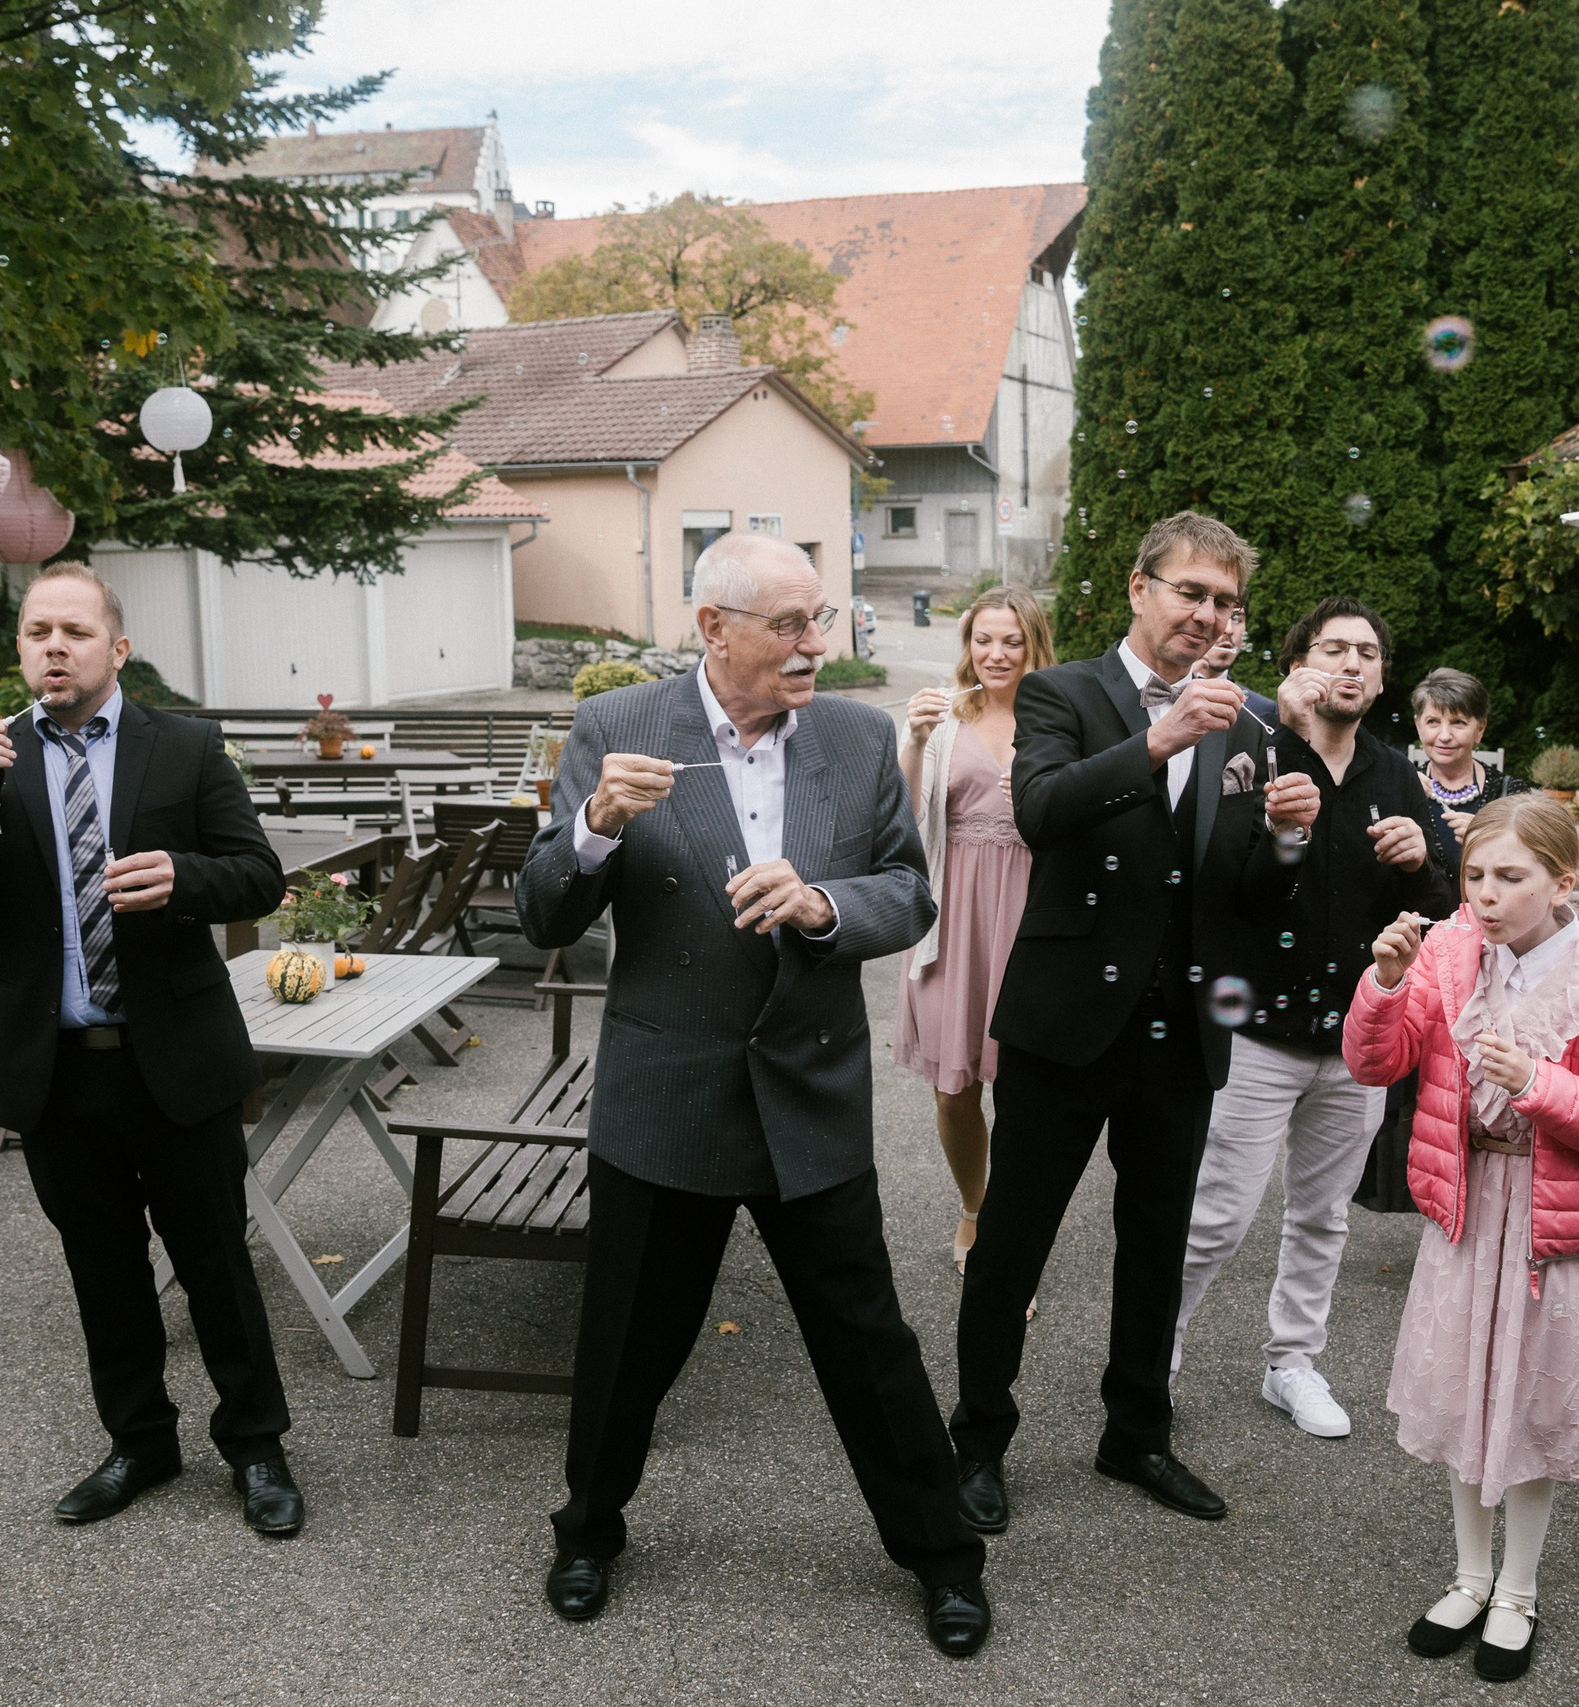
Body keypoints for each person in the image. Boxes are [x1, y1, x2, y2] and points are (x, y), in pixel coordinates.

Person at [517, 533, 994, 1658]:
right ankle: (587, 1530)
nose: (813, 645)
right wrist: (593, 831)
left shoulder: (854, 734)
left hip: (806, 1091)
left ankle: (941, 1558)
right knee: (626, 1340)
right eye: (788, 624)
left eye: (818, 620)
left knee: (869, 1342)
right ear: (713, 629)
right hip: (667, 1091)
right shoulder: (617, 729)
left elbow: (905, 894)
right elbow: (544, 914)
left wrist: (824, 907)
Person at [0, 563, 304, 1535]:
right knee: (103, 1270)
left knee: (216, 1268)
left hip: (176, 1063)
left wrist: (186, 877)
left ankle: (257, 1450)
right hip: (56, 1076)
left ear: (117, 650)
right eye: (38, 632)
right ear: (21, 652)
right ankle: (139, 1445)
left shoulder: (186, 748)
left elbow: (258, 876)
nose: (55, 647)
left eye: (75, 631)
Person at [950, 511, 1320, 1533]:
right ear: (1138, 589)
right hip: (1066, 1019)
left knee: (1156, 1243)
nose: (1206, 615)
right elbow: (1039, 812)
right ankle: (977, 1437)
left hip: (1182, 1026)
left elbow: (1245, 893)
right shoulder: (1064, 691)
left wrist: (1288, 840)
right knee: (1014, 1239)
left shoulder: (1248, 722)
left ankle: (1137, 1434)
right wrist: (1156, 740)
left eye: (1224, 602)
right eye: (1190, 592)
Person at [1344, 795, 1579, 1683]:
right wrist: (1386, 982)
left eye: (1509, 877)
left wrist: (1540, 1082)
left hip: (1548, 1221)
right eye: (1474, 874)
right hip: (1466, 1199)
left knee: (1527, 1402)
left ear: (1564, 882)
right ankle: (1469, 1575)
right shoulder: (1449, 951)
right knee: (1462, 1389)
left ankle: (1518, 1589)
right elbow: (1375, 1063)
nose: (1484, 893)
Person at [1169, 596, 1453, 1439]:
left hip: (1356, 1039)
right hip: (1257, 1030)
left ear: (1382, 677)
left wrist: (1425, 858)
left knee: (1323, 1214)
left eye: (1367, 652)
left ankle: (1292, 1361)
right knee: (1218, 1211)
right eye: (1333, 648)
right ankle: (1157, 1349)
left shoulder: (1396, 774)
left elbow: (1442, 903)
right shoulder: (1254, 746)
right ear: (1297, 663)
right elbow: (1218, 881)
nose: (1351, 664)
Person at [896, 585, 1056, 1271]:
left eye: (1011, 640)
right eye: (983, 639)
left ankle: (1013, 1244)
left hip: (1034, 923)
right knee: (955, 1090)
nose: (995, 653)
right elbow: (900, 824)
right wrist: (913, 739)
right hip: (954, 923)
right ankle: (974, 1205)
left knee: (1026, 1096)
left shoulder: (1060, 722)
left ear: (1034, 646)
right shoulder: (946, 720)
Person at [1411, 667, 1524, 865]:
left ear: (1480, 729)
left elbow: (1533, 861)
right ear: (1419, 726)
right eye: (1433, 722)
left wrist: (1489, 840)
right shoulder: (1403, 787)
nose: (1444, 736)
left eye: (1458, 723)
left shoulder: (1509, 794)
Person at [1194, 604, 1276, 726]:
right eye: (1218, 615)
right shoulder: (1160, 695)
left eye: (1236, 619)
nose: (1229, 630)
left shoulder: (1262, 710)